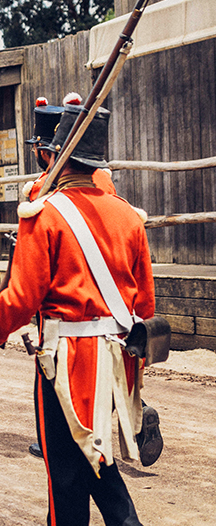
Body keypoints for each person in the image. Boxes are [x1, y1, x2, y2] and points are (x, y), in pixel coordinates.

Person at [0, 106, 160, 526]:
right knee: (91, 451)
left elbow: (23, 297)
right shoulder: (128, 217)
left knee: (67, 478)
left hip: (65, 357)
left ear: (58, 156)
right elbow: (146, 305)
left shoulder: (45, 213)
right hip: (115, 359)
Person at [23, 95, 162, 467]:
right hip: (117, 298)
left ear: (48, 149)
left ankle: (57, 436)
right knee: (114, 363)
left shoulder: (44, 191)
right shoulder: (104, 183)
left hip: (69, 307)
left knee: (54, 374)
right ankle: (133, 409)